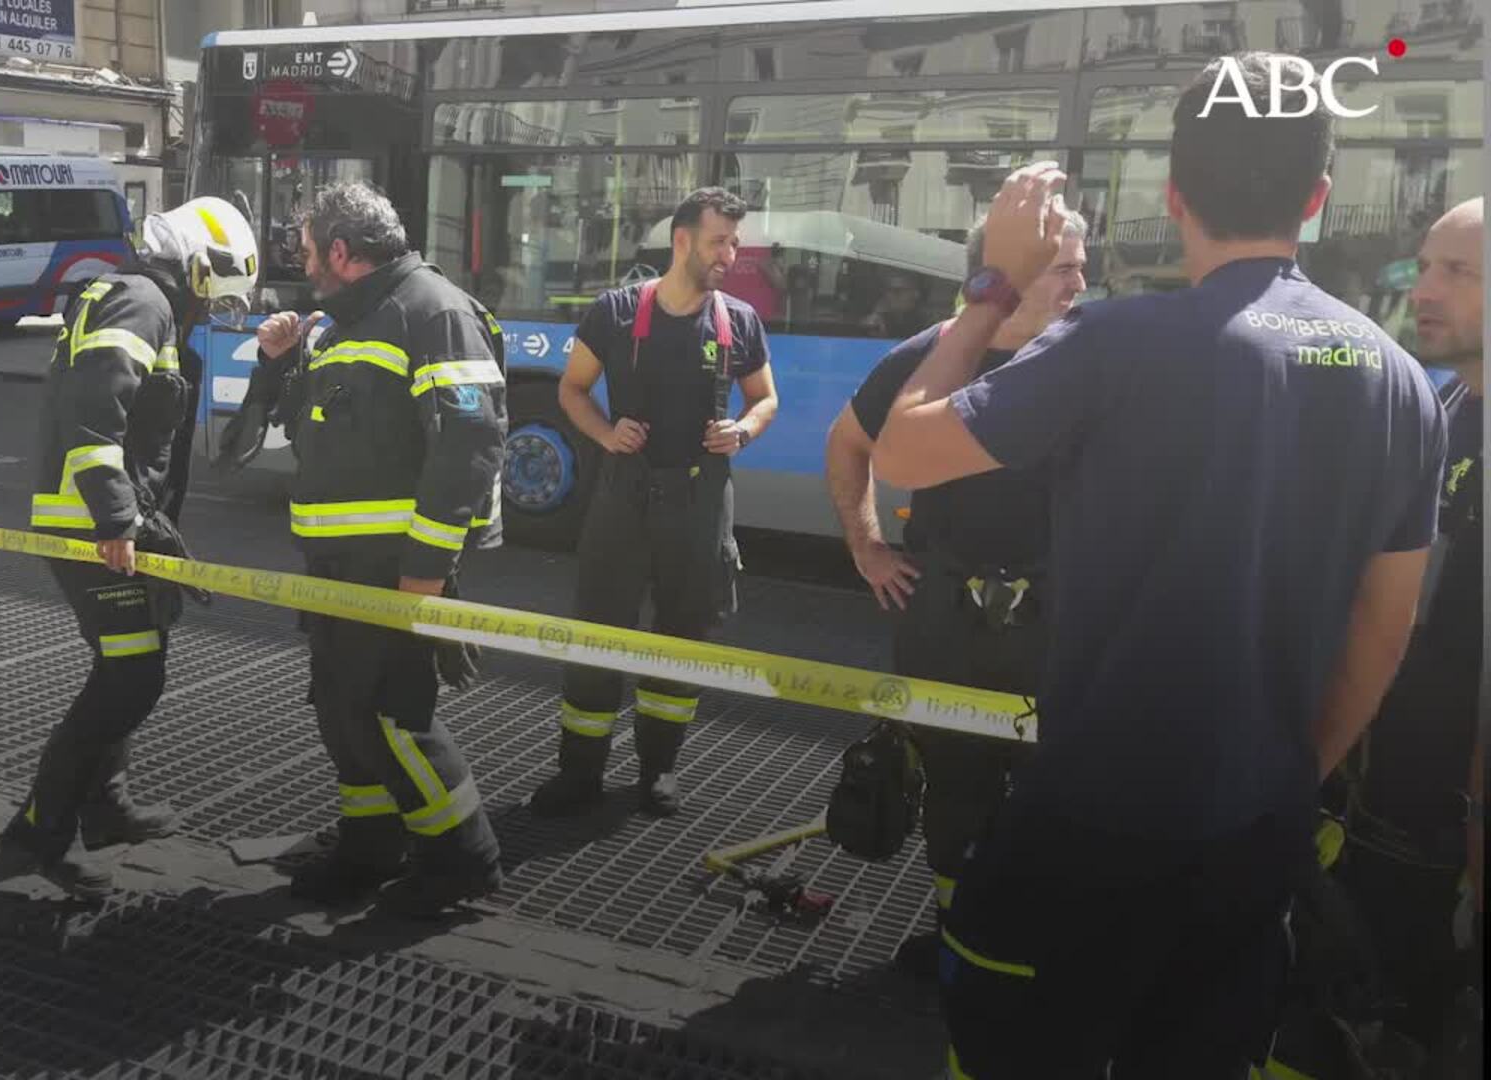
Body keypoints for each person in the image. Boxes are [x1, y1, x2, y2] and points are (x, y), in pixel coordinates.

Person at [870, 53, 1447, 1076]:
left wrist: (989, 287)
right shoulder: (1399, 382)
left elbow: (902, 454)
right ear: (1316, 199)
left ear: (1174, 194)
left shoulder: (1113, 342)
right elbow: (1382, 626)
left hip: (1084, 823)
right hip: (1253, 836)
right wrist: (1290, 776)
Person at [823, 209, 1087, 975]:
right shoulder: (927, 359)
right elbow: (848, 444)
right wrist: (868, 546)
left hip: (1062, 615)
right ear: (1005, 271)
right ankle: (957, 935)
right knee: (957, 789)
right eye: (1060, 265)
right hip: (946, 614)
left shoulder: (1092, 361)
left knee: (1058, 789)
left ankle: (1038, 941)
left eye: (1079, 264)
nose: (1078, 281)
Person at [238, 182, 507, 916]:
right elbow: (307, 427)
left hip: (393, 569)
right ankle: (370, 848)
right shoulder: (340, 325)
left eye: (306, 249)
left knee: (392, 717)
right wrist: (279, 361)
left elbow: (470, 445)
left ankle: (463, 861)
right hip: (335, 567)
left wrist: (425, 571)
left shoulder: (432, 311)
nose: (302, 263)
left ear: (342, 251)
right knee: (341, 711)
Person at [1273, 197, 1484, 1077]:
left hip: (1452, 843)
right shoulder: (1447, 409)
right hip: (1382, 817)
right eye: (1423, 266)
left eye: (1459, 272)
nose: (1423, 289)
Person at [0, 196, 258, 901]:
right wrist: (114, 521)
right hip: (92, 527)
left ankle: (106, 804)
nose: (223, 300)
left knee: (135, 659)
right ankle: (40, 828)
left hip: (109, 522)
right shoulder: (145, 302)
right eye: (225, 279)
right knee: (131, 679)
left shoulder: (138, 297)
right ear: (201, 263)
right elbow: (95, 414)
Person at [527, 187, 779, 819]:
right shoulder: (614, 313)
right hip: (623, 495)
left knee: (682, 637)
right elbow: (573, 390)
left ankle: (659, 770)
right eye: (720, 241)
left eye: (735, 243)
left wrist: (743, 430)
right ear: (683, 240)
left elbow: (766, 398)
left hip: (699, 501)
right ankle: (578, 774)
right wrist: (606, 434)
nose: (731, 253)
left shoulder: (738, 322)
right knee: (597, 634)